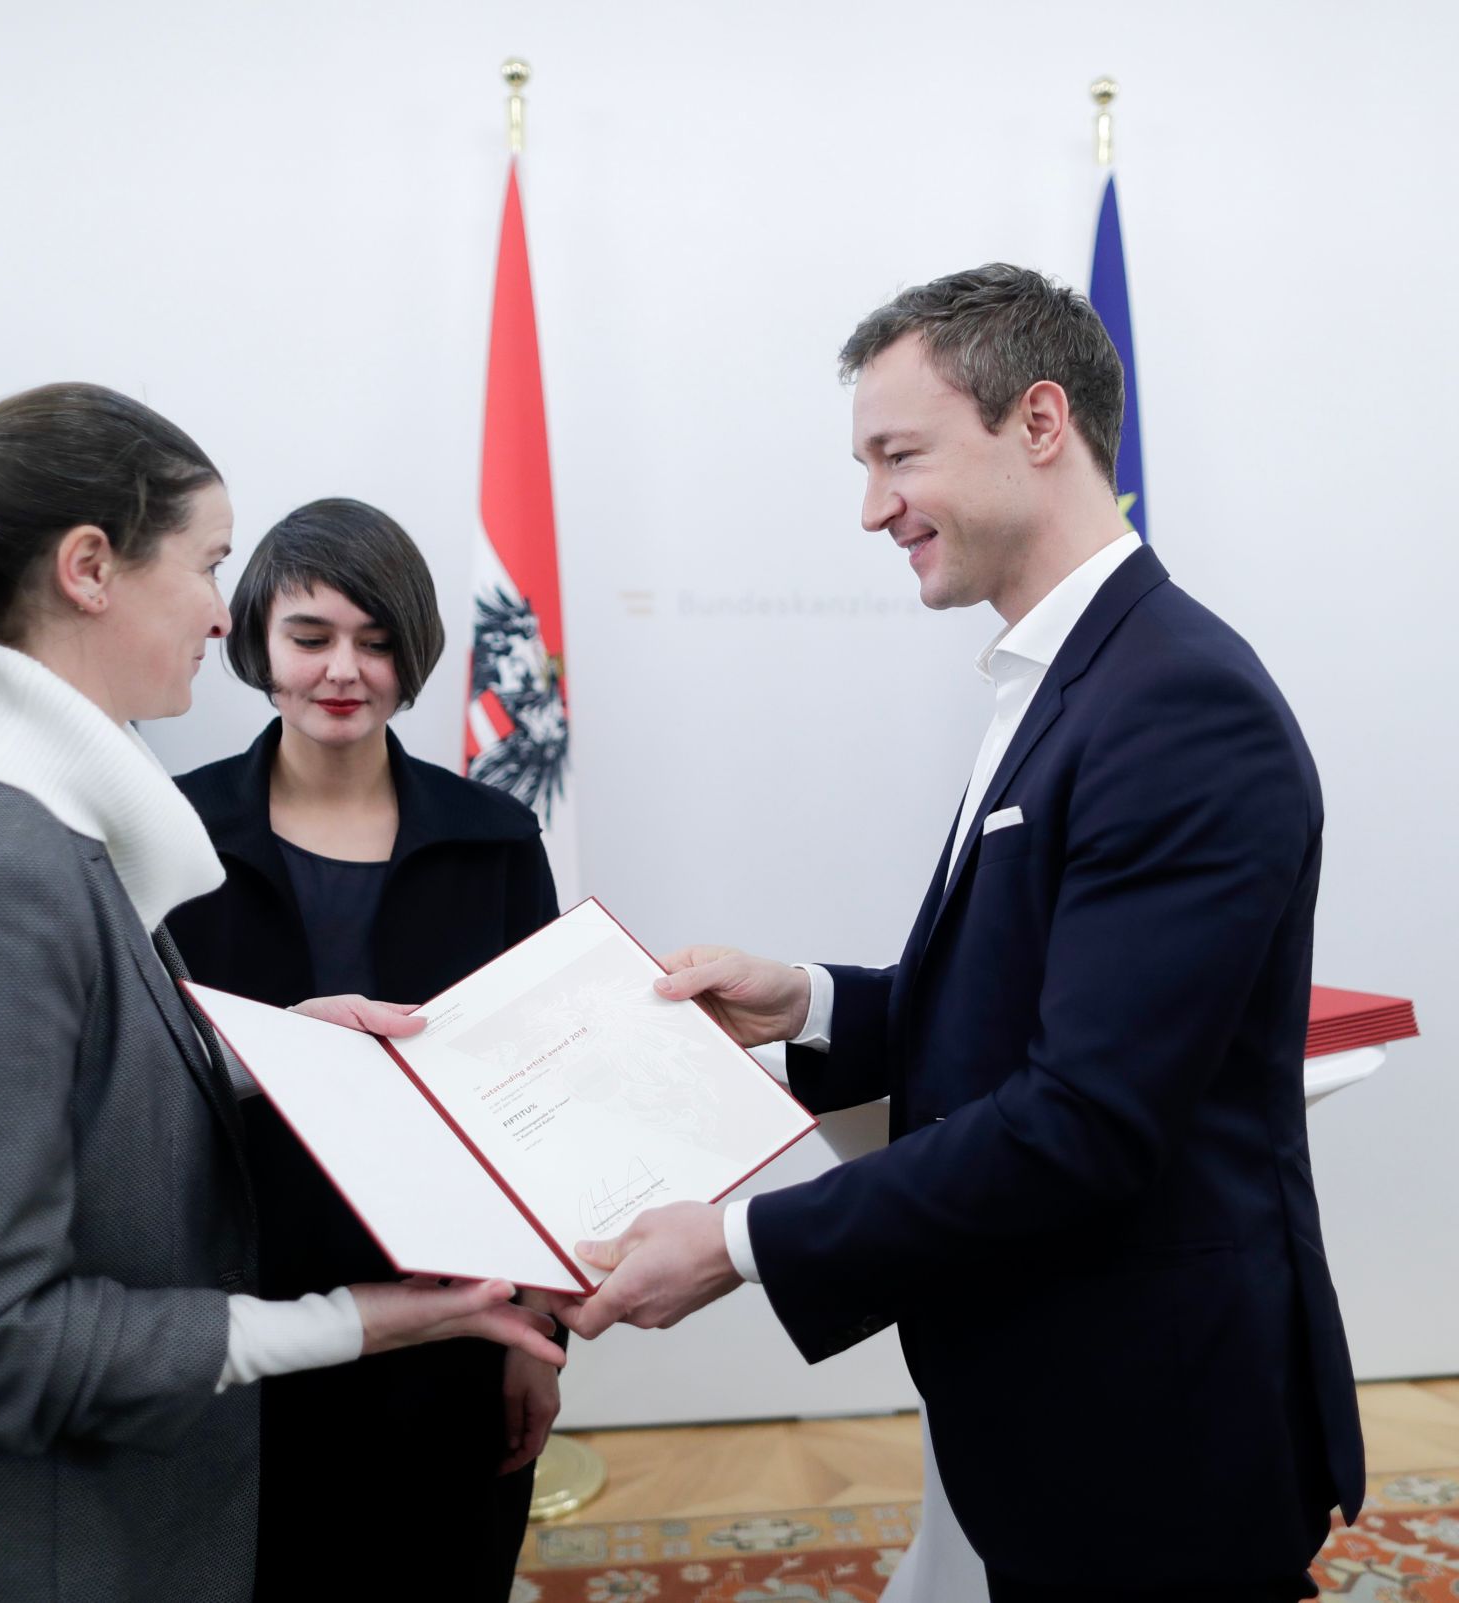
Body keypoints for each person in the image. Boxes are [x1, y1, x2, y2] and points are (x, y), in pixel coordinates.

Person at [558, 266, 1363, 1602]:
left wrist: (741, 1240)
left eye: (899, 455)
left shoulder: (1177, 706)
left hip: (1161, 1423)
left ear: (1038, 422)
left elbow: (1084, 1116)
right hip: (1064, 1393)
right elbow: (1013, 1012)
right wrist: (807, 1001)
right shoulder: (1078, 675)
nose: (873, 506)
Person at [0, 386, 564, 1602]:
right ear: (93, 568)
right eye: (212, 565)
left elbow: (85, 1074)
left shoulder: (35, 821)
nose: (224, 614)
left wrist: (266, 1049)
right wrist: (357, 1322)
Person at [168, 497, 563, 1602]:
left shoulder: (494, 837)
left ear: (415, 655)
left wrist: (530, 1338)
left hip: (453, 1319)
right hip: (244, 1323)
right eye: (311, 636)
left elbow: (536, 1103)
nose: (344, 668)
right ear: (256, 642)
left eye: (377, 640)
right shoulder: (171, 837)